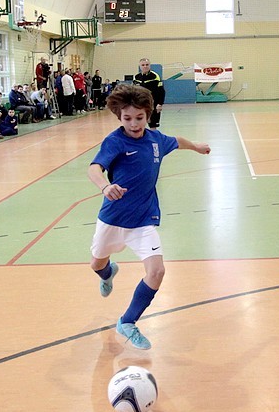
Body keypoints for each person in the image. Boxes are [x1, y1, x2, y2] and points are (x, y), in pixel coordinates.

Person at [88, 84, 210, 350]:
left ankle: (127, 321)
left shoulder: (155, 140)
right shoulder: (114, 141)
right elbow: (94, 168)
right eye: (127, 118)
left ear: (148, 114)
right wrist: (105, 187)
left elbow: (177, 141)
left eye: (139, 117)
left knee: (157, 271)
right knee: (97, 264)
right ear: (119, 117)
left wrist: (196, 146)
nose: (133, 124)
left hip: (143, 220)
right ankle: (108, 273)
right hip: (113, 219)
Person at [132, 58, 166, 128]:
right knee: (139, 125)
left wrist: (160, 104)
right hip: (140, 105)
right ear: (140, 66)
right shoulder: (136, 77)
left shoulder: (155, 76)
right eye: (143, 65)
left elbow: (161, 91)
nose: (145, 66)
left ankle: (153, 135)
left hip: (153, 104)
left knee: (153, 125)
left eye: (147, 65)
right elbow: (133, 92)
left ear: (150, 66)